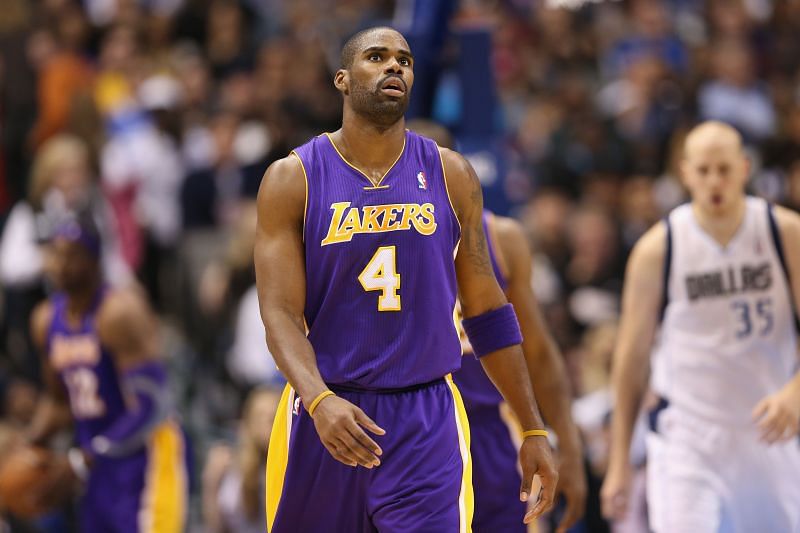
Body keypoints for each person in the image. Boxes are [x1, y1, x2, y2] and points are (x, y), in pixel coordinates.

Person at [255, 26, 557, 532]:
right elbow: (278, 312)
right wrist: (318, 399)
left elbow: (487, 311)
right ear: (343, 80)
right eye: (378, 57)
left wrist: (531, 425)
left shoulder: (452, 174)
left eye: (405, 60)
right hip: (328, 411)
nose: (395, 66)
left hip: (426, 418)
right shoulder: (292, 179)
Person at [601, 121, 800, 532]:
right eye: (704, 170)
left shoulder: (786, 233)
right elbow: (631, 359)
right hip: (688, 442)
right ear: (685, 172)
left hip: (770, 433)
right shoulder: (658, 248)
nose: (714, 181)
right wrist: (619, 461)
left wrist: (798, 389)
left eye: (724, 169)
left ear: (745, 168)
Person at [407, 119, 586, 533]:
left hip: (488, 433)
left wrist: (569, 447)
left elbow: (538, 354)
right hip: (411, 430)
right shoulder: (367, 235)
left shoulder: (501, 238)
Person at [26, 215, 189, 533]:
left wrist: (84, 459)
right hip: (96, 464)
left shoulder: (118, 312)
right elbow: (59, 402)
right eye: (55, 253)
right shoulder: (45, 320)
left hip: (146, 456)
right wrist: (30, 443)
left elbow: (152, 405)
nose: (61, 263)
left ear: (93, 259)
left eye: (71, 254)